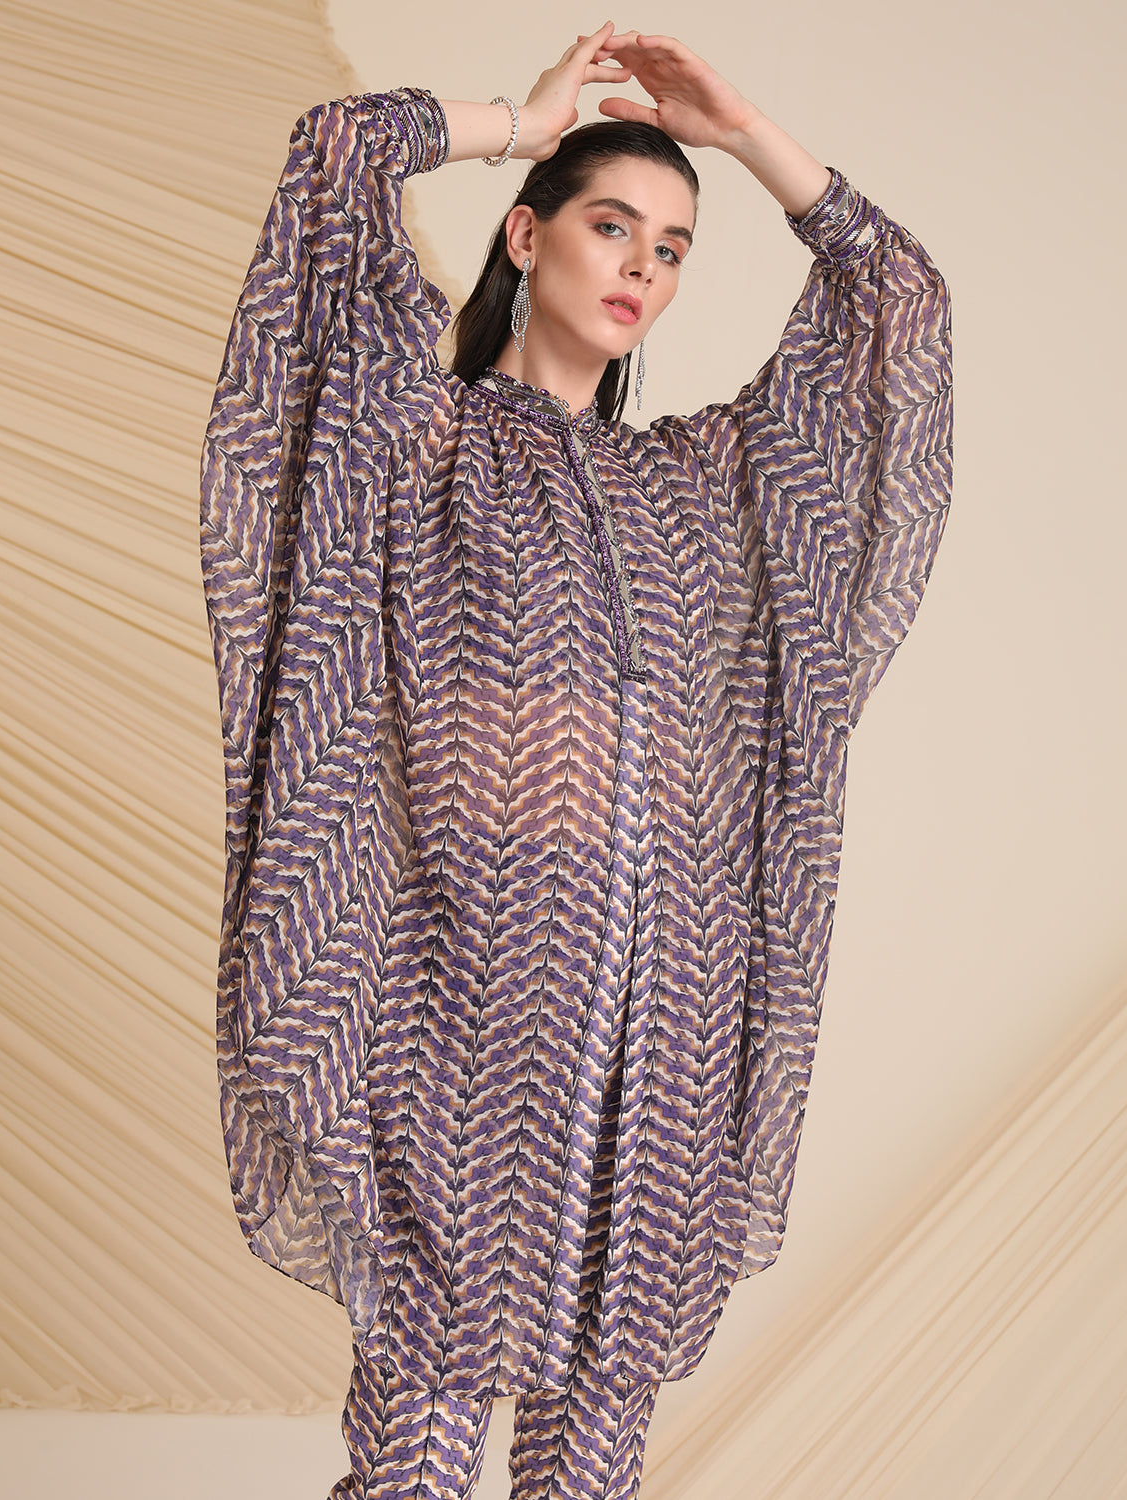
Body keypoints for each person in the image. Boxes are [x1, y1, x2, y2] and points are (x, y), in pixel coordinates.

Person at [199, 23, 952, 1500]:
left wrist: (746, 136)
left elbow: (897, 306)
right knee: (415, 1463)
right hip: (457, 1005)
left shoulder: (700, 487)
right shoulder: (413, 443)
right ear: (526, 233)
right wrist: (521, 122)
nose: (641, 269)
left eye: (672, 250)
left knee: (592, 1476)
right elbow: (333, 154)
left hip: (666, 1027)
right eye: (612, 225)